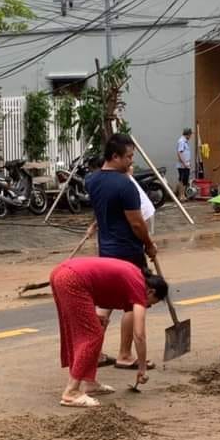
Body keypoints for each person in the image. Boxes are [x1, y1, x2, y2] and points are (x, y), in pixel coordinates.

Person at [49, 256, 167, 408]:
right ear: (151, 291)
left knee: (95, 328)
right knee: (92, 336)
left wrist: (93, 315)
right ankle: (71, 392)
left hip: (63, 272)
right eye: (151, 303)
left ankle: (89, 383)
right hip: (72, 278)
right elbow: (139, 335)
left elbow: (96, 282)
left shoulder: (135, 275)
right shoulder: (139, 286)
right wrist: (142, 367)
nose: (148, 306)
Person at [85, 134, 158, 371]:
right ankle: (125, 354)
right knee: (132, 303)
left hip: (105, 252)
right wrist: (149, 243)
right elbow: (137, 223)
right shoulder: (125, 184)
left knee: (104, 302)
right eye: (127, 157)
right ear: (114, 156)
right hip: (128, 251)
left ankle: (93, 353)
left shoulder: (92, 180)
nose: (130, 162)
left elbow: (104, 210)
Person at [176, 128, 193, 198]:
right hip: (183, 165)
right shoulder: (181, 141)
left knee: (184, 180)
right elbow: (179, 153)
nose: (191, 136)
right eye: (190, 135)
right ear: (188, 134)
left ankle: (183, 195)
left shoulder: (184, 141)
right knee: (182, 180)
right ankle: (181, 195)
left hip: (185, 164)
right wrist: (184, 163)